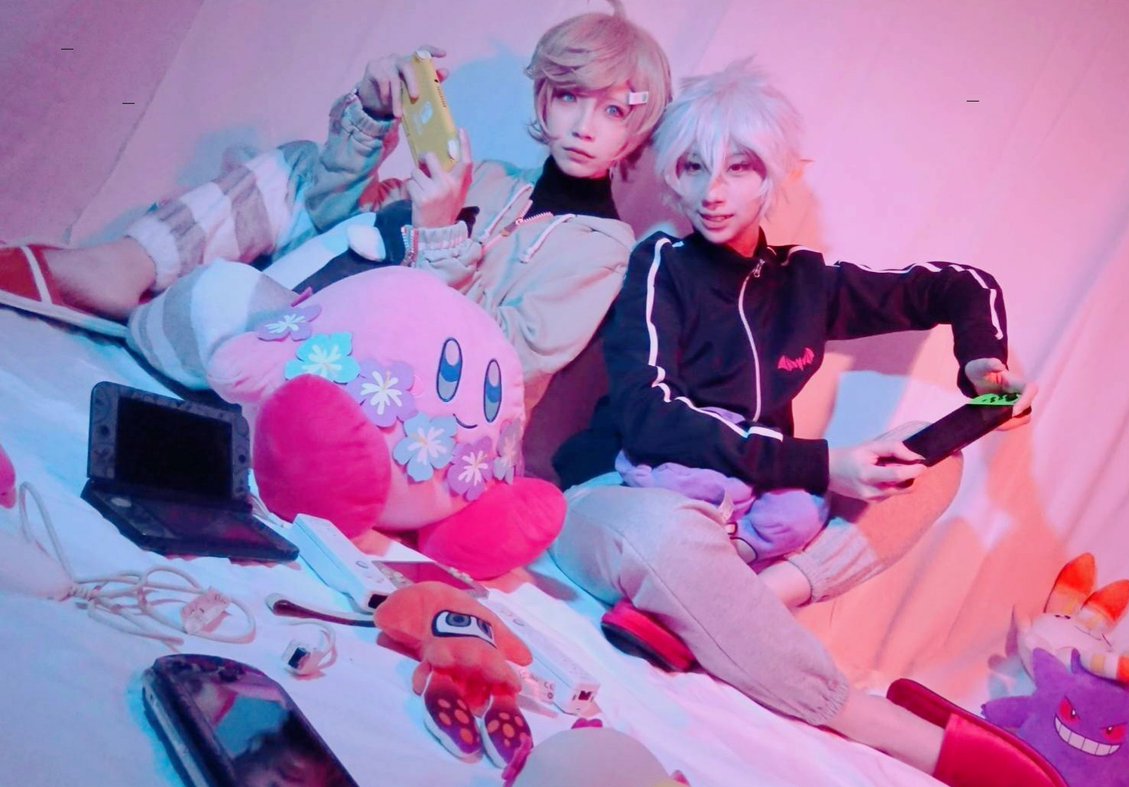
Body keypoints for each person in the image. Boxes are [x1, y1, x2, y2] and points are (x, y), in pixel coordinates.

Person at [549, 62, 1056, 786]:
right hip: (614, 500)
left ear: (779, 173)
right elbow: (648, 417)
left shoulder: (805, 283)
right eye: (692, 167)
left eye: (739, 167)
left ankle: (723, 612)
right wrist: (823, 464)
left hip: (744, 532)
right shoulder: (660, 265)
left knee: (935, 464)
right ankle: (882, 726)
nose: (712, 191)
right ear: (671, 175)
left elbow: (961, 286)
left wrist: (985, 368)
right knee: (668, 531)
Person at [0, 3, 671, 430]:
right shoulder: (494, 178)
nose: (584, 126)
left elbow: (491, 368)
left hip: (414, 407)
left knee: (225, 297)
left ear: (638, 131)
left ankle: (181, 320)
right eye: (570, 97)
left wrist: (437, 233)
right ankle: (126, 269)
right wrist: (373, 117)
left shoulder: (605, 250)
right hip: (338, 315)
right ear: (544, 96)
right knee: (299, 167)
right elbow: (335, 217)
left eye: (614, 110)